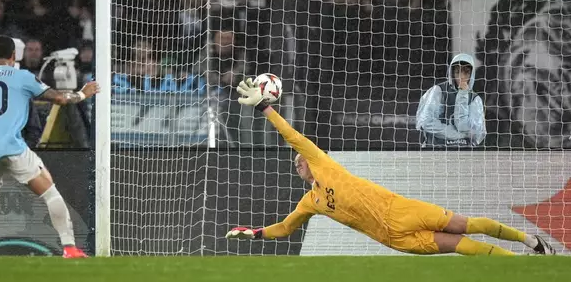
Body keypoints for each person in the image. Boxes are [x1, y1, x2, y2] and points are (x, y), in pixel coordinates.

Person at [225, 78, 556, 256]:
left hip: (401, 210)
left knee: (464, 225)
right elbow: (285, 228)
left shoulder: (323, 163)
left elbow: (291, 135)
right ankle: (518, 266)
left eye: (300, 159)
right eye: (295, 164)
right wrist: (254, 233)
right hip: (393, 238)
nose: (298, 162)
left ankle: (531, 242)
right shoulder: (310, 203)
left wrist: (265, 108)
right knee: (458, 246)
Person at [0, 35, 100, 258]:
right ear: (14, 56)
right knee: (50, 193)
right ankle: (69, 247)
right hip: (13, 149)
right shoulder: (23, 77)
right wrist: (82, 93)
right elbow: (59, 99)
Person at [415, 53, 486, 148]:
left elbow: (473, 131)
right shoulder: (439, 91)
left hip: (464, 152)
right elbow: (426, 122)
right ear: (452, 73)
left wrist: (463, 94)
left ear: (471, 74)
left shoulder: (475, 99)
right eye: (457, 72)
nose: (462, 76)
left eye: (466, 72)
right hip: (436, 149)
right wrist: (455, 135)